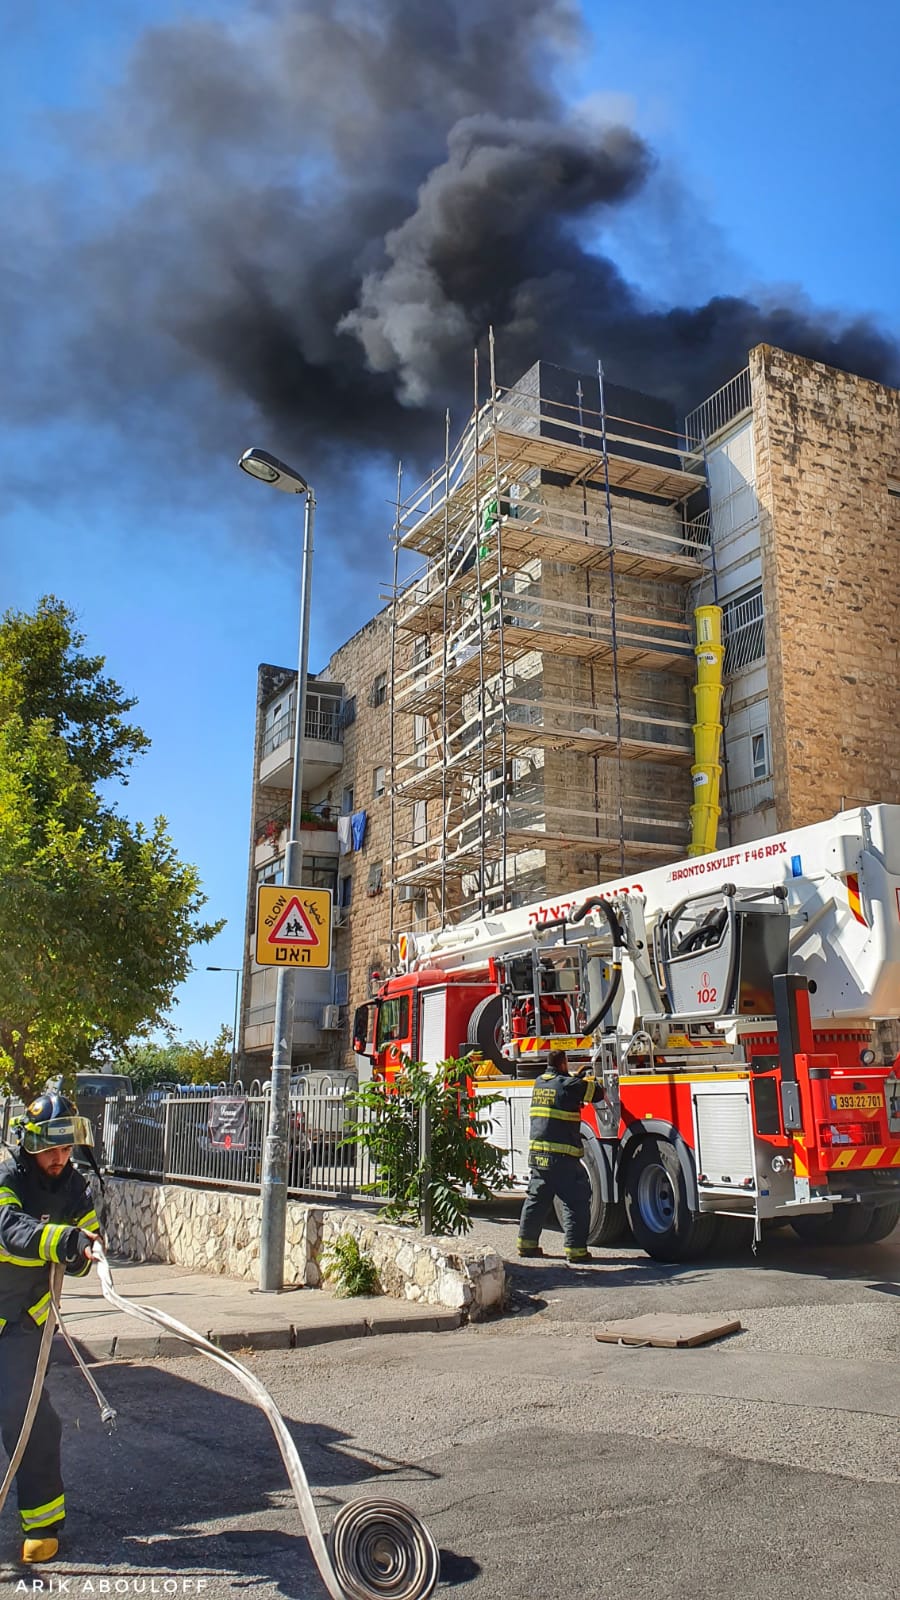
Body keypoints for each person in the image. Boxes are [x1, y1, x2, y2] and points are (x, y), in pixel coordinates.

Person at [0, 1092, 100, 1564]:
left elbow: (87, 1239)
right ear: (30, 1144)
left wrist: (85, 1249)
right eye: (50, 1149)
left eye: (65, 1149)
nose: (59, 1158)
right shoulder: (7, 1178)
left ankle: (41, 1525)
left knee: (32, 1421)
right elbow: (11, 1233)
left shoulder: (74, 1187)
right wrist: (63, 1240)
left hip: (25, 1325)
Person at [516, 1048, 601, 1268]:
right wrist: (584, 1078)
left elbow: (560, 1094)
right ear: (563, 1064)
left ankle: (526, 1245)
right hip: (562, 1157)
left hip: (538, 1157)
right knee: (576, 1201)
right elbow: (596, 1092)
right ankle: (576, 1251)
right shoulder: (568, 1084)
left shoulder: (539, 1083)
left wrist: (574, 1079)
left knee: (537, 1199)